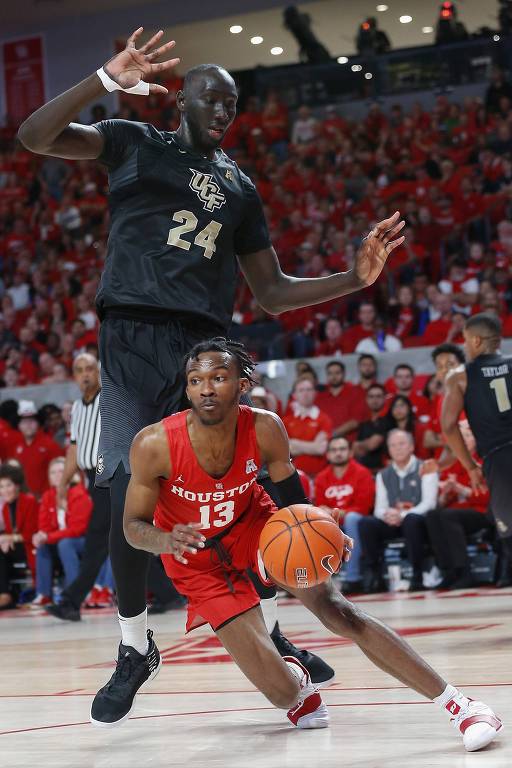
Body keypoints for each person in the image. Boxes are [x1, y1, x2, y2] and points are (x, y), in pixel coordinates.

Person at [18, 27, 405, 724]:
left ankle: (271, 629)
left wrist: (354, 277)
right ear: (181, 101)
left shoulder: (240, 186)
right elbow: (34, 134)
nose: (222, 110)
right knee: (125, 488)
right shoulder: (134, 143)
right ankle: (135, 645)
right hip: (132, 334)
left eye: (231, 103)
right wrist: (104, 80)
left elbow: (274, 292)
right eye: (210, 98)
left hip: (205, 347)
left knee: (232, 492)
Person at [120, 338, 501, 750]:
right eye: (196, 380)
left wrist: (326, 538)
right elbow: (131, 527)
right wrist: (163, 538)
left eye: (218, 377)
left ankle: (460, 705)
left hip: (254, 526)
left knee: (338, 609)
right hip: (194, 557)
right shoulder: (153, 444)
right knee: (284, 696)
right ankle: (297, 683)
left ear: (243, 384)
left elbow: (295, 504)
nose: (206, 389)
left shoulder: (265, 427)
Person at [442, 313, 512, 590]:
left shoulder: (459, 376)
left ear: (476, 340)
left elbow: (448, 426)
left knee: (508, 525)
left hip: (498, 455)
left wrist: (470, 466)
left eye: (464, 342)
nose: (464, 347)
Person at [45, 353, 112, 620]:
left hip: (109, 475)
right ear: (74, 376)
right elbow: (74, 448)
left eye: (89, 369)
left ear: (98, 372)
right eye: (79, 370)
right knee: (121, 540)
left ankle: (71, 601)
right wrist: (63, 485)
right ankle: (167, 592)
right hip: (90, 478)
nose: (85, 374)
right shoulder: (76, 407)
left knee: (96, 541)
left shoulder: (109, 400)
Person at [359, 429, 438, 593]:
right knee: (366, 523)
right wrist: (387, 516)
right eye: (393, 445)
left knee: (412, 520)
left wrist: (402, 515)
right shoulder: (383, 474)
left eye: (402, 444)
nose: (397, 448)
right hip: (394, 522)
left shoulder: (427, 467)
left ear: (411, 447)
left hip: (418, 521)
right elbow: (379, 507)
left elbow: (429, 503)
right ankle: (375, 576)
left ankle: (417, 575)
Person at [425, 426, 492, 590]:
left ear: (476, 439)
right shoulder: (453, 465)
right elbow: (443, 501)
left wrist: (462, 490)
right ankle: (448, 570)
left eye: (468, 435)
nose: (463, 439)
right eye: (460, 436)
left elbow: (488, 499)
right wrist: (445, 495)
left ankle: (464, 570)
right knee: (432, 515)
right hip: (456, 513)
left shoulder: (483, 462)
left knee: (448, 516)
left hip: (480, 512)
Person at [315, 437, 375, 593]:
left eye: (342, 449)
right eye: (334, 450)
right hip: (331, 522)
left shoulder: (362, 473)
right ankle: (315, 579)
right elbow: (320, 506)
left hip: (357, 521)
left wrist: (335, 512)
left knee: (352, 518)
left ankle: (353, 578)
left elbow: (363, 507)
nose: (338, 453)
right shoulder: (322, 477)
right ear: (328, 455)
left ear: (350, 452)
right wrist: (328, 512)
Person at [31, 458, 92, 607]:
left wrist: (49, 536)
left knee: (65, 544)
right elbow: (44, 526)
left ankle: (76, 592)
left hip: (82, 542)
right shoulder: (47, 497)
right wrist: (41, 536)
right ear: (49, 477)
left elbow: (78, 529)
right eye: (53, 472)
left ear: (69, 474)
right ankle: (44, 594)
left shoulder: (79, 494)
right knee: (42, 546)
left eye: (61, 471)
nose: (57, 475)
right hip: (60, 542)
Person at [0, 463, 38, 609]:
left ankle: (5, 595)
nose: (4, 490)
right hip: (18, 546)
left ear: (17, 485)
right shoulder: (5, 507)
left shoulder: (29, 501)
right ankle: (5, 593)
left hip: (31, 546)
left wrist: (10, 538)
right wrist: (7, 539)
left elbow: (31, 534)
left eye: (8, 485)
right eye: (1, 487)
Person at [8, 400, 64, 496]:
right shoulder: (17, 447)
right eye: (24, 422)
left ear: (38, 423)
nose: (28, 425)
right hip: (24, 500)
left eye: (31, 421)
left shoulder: (50, 445)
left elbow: (62, 474)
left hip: (46, 498)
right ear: (19, 425)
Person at [283, 377, 332, 477]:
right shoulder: (286, 421)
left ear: (315, 393)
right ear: (294, 395)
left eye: (309, 389)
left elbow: (320, 449)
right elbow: (286, 450)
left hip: (318, 475)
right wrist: (312, 446)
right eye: (301, 390)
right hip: (294, 475)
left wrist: (294, 443)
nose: (305, 393)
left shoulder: (323, 419)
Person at [315, 361, 368, 441]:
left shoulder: (355, 392)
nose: (334, 376)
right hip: (323, 444)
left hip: (348, 443)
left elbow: (355, 421)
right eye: (330, 373)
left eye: (337, 373)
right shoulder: (319, 396)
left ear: (344, 374)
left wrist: (331, 435)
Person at [353, 384, 388, 471]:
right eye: (371, 396)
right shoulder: (365, 423)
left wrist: (360, 445)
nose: (374, 400)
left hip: (383, 470)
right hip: (365, 470)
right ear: (366, 399)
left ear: (385, 398)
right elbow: (355, 450)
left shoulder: (389, 420)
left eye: (378, 396)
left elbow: (372, 445)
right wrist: (364, 445)